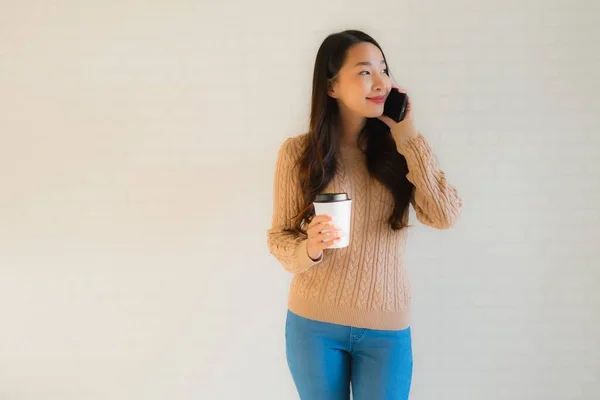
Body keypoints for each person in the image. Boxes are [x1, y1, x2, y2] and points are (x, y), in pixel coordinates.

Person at [266, 29, 462, 400]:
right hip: (314, 325)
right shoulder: (298, 154)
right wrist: (308, 247)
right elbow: (279, 238)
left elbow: (444, 215)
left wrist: (408, 135)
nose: (380, 81)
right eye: (364, 71)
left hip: (386, 329)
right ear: (331, 87)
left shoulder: (403, 150)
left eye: (383, 69)